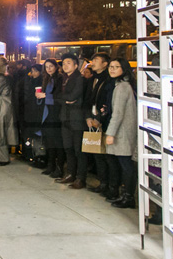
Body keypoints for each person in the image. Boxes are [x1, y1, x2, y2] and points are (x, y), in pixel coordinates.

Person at [103, 58, 137, 209]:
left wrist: (110, 133)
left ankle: (128, 196)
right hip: (122, 130)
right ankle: (124, 195)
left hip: (122, 131)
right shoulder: (121, 85)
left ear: (124, 69)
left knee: (125, 164)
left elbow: (118, 113)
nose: (112, 69)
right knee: (123, 164)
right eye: (111, 67)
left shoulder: (122, 86)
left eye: (116, 67)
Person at [85, 53, 117, 196]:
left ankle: (111, 186)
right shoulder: (93, 79)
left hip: (104, 121)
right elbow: (87, 100)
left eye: (96, 60)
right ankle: (102, 182)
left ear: (105, 64)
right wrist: (88, 117)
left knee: (106, 156)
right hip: (92, 120)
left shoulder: (109, 81)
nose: (93, 62)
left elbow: (108, 103)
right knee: (97, 154)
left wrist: (99, 118)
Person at [56, 53, 86, 189]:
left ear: (75, 65)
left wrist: (65, 99)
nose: (65, 65)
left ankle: (80, 178)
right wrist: (65, 99)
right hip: (65, 117)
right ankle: (70, 174)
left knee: (78, 150)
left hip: (77, 118)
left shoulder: (79, 79)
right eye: (63, 63)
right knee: (68, 148)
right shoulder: (64, 79)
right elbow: (58, 97)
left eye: (68, 63)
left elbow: (74, 96)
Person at [39, 59, 64, 178]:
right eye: (46, 66)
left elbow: (59, 96)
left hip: (56, 113)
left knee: (57, 142)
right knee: (49, 141)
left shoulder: (59, 78)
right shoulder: (47, 79)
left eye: (51, 66)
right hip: (48, 112)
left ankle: (59, 168)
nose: (48, 69)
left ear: (56, 66)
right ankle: (51, 165)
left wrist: (45, 96)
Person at [23, 63, 46, 167]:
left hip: (37, 111)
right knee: (31, 135)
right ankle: (32, 155)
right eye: (32, 71)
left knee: (37, 135)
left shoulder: (42, 82)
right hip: (30, 110)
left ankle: (40, 157)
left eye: (36, 71)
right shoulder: (30, 81)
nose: (33, 73)